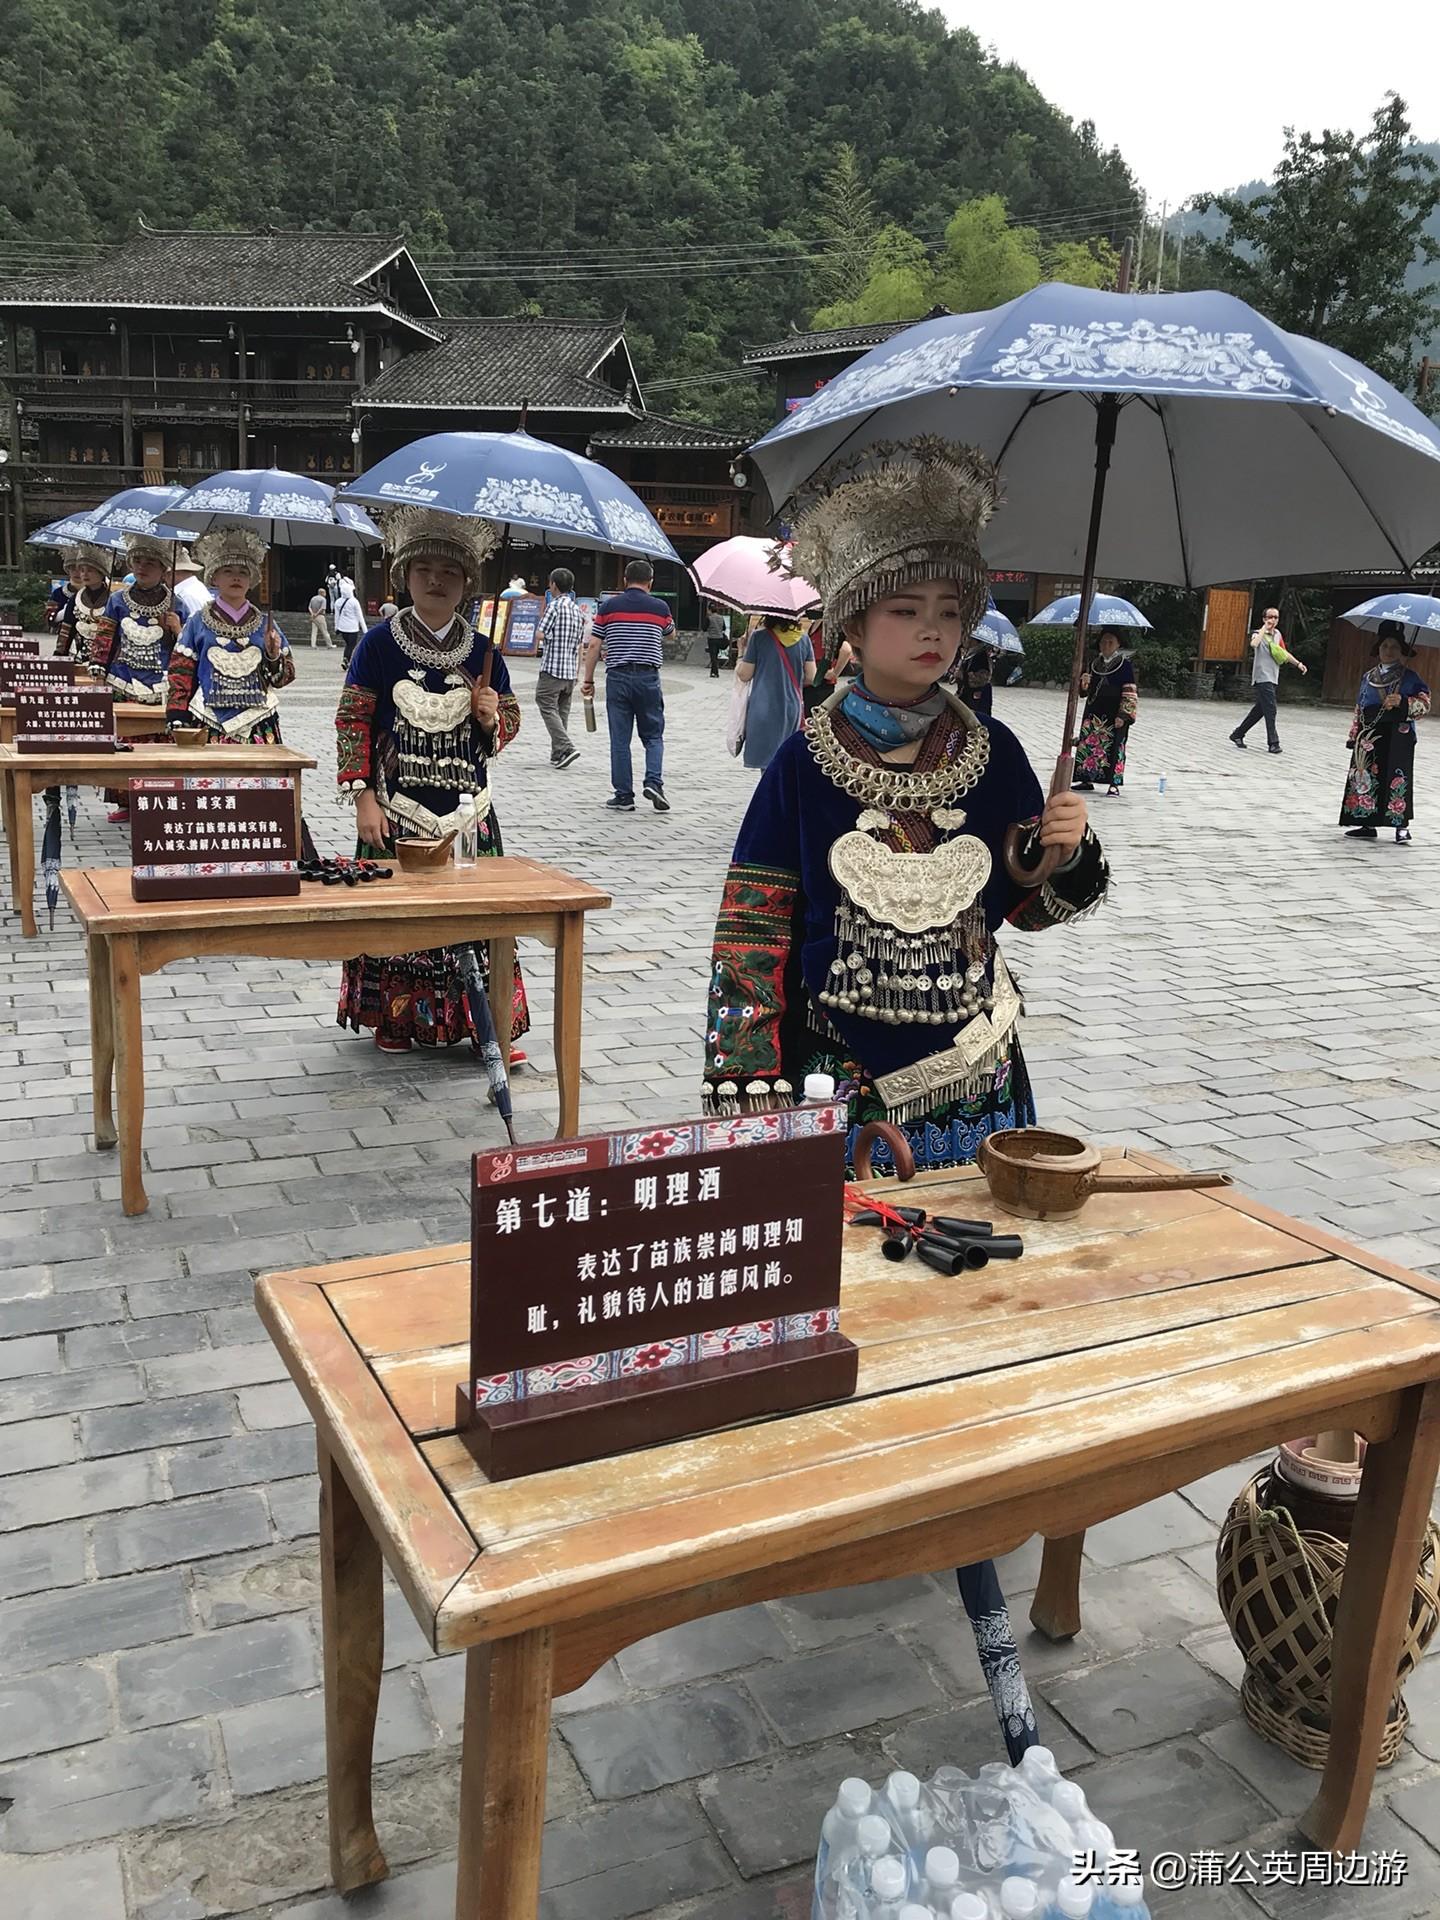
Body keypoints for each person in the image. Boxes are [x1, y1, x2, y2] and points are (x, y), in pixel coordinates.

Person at [702, 436, 1108, 1175]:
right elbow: (754, 921)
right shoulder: (803, 762)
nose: (933, 631)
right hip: (841, 1065)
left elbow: (1027, 909)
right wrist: (748, 1068)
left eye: (950, 613)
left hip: (977, 1064)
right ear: (852, 625)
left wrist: (1066, 848)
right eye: (907, 609)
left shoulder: (995, 750)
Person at [335, 506, 529, 1054]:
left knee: (482, 917)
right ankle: (398, 1019)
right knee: (398, 917)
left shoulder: (485, 651)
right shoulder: (377, 645)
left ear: (468, 581)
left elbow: (509, 722)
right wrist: (362, 799)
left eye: (449, 572)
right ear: (404, 575)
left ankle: (488, 1021)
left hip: (469, 810)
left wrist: (492, 716)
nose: (436, 581)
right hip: (397, 807)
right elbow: (352, 721)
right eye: (424, 570)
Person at [166, 525, 295, 744]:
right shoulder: (197, 622)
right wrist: (178, 715)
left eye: (243, 572)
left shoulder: (266, 624)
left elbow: (284, 678)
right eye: (228, 571)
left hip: (259, 723)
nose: (236, 578)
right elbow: (181, 672)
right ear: (214, 577)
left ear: (252, 580)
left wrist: (274, 657)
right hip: (207, 719)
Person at [582, 558, 674, 812]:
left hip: (618, 678)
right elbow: (671, 633)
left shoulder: (609, 607)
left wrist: (588, 680)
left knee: (620, 740)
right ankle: (654, 781)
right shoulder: (659, 606)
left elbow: (594, 645)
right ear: (650, 582)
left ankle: (624, 796)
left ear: (624, 581)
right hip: (648, 678)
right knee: (653, 736)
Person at [1339, 620, 1431, 844]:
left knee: (1396, 777)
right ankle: (1366, 822)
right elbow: (1360, 706)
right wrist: (1355, 734)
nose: (1388, 651)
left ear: (1401, 651)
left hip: (1398, 734)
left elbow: (1425, 704)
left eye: (1394, 647)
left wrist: (1402, 701)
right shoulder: (1368, 677)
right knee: (1366, 775)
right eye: (1384, 646)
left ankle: (1400, 826)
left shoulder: (1410, 678)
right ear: (1378, 649)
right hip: (1370, 733)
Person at [735, 613, 816, 770]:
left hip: (763, 708)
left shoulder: (759, 637)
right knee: (787, 762)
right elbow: (811, 677)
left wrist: (741, 652)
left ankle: (770, 793)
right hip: (791, 707)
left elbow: (744, 674)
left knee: (767, 766)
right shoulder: (803, 639)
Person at [1231, 606, 1306, 753]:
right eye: (1270, 617)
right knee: (1271, 709)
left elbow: (1284, 653)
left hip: (1273, 677)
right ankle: (1273, 743)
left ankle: (1237, 734)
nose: (1273, 620)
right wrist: (1263, 629)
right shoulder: (1257, 633)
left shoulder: (1277, 634)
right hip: (1262, 677)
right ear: (1264, 618)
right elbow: (1254, 644)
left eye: (1276, 617)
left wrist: (1298, 664)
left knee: (1260, 710)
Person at [1072, 629, 1138, 796]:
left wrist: (1123, 715)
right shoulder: (1094, 664)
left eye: (1110, 642)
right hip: (1094, 710)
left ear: (1118, 644)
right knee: (1088, 744)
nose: (1106, 645)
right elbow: (1084, 693)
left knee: (1115, 745)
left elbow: (1130, 691)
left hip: (1114, 712)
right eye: (1103, 642)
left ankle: (1114, 784)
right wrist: (1084, 684)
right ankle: (1086, 778)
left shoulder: (1125, 665)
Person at [535, 566, 585, 769]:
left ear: (553, 585)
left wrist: (548, 638)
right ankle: (558, 754)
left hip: (553, 667)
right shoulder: (577, 610)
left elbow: (540, 633)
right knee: (562, 711)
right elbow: (581, 644)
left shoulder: (554, 607)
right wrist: (578, 671)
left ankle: (566, 746)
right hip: (569, 670)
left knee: (545, 702)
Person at [53, 543, 112, 669]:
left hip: (108, 662)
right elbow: (66, 632)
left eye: (90, 570)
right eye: (82, 570)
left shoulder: (113, 600)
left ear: (101, 573)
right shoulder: (76, 599)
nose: (84, 574)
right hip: (81, 661)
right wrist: (59, 659)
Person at [334, 576, 367, 666]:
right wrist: (365, 630)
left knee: (348, 644)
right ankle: (347, 659)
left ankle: (346, 659)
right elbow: (360, 616)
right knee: (351, 645)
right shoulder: (354, 601)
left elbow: (336, 616)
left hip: (342, 627)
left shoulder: (338, 602)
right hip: (352, 627)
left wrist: (336, 627)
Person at [957, 641, 995, 717]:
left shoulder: (980, 655)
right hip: (969, 692)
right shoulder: (971, 653)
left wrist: (965, 674)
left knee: (978, 715)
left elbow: (983, 675)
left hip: (977, 692)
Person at [705, 606, 729, 679]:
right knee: (715, 655)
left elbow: (704, 628)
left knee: (713, 656)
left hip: (712, 639)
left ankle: (715, 672)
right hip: (720, 638)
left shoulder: (709, 618)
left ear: (710, 610)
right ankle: (713, 672)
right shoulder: (721, 618)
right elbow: (724, 628)